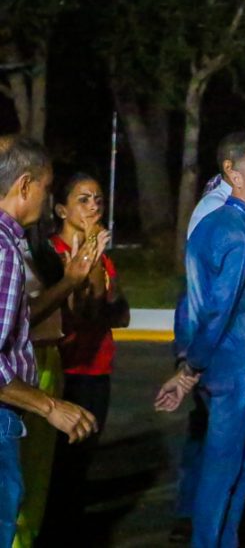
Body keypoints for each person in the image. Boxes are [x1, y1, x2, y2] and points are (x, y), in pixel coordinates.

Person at [155, 136, 245, 548]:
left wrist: (187, 363)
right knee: (223, 472)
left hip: (217, 370)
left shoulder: (209, 224)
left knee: (241, 463)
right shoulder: (240, 236)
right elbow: (217, 310)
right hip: (238, 371)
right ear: (232, 173)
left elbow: (190, 302)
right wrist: (191, 368)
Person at [0, 136, 97, 547]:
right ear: (24, 185)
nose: (47, 196)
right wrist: (50, 405)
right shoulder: (3, 251)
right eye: (45, 186)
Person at [41, 172, 130, 539]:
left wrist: (97, 258)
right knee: (56, 470)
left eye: (98, 199)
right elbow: (84, 312)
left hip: (96, 370)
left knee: (79, 467)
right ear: (61, 209)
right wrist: (90, 260)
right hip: (64, 369)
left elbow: (121, 313)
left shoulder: (100, 256)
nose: (94, 207)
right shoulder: (51, 254)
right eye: (83, 200)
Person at [14, 215, 101, 548]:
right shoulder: (8, 247)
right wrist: (67, 281)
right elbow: (22, 319)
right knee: (16, 473)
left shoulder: (36, 246)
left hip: (47, 359)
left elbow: (82, 311)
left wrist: (84, 270)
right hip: (21, 369)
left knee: (37, 475)